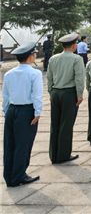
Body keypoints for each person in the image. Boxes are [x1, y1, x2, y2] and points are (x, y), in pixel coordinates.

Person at [3, 43, 43, 187]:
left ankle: (9, 176)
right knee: (23, 145)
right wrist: (38, 112)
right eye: (34, 54)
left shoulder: (9, 74)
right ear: (30, 56)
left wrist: (6, 111)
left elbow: (5, 96)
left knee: (10, 144)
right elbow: (37, 95)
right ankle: (19, 176)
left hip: (12, 110)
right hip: (27, 111)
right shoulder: (35, 73)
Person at [47, 33, 85, 164]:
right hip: (69, 94)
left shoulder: (53, 58)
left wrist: (50, 92)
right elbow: (79, 78)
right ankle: (63, 155)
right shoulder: (77, 59)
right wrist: (80, 95)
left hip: (56, 93)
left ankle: (54, 154)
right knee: (66, 125)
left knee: (55, 123)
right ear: (74, 45)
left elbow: (49, 77)